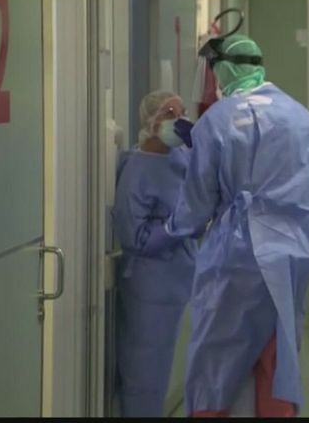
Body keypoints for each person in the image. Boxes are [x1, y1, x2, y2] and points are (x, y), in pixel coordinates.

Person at [140, 33, 309, 418]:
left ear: (221, 70)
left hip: (239, 255)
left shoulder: (218, 121)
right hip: (294, 252)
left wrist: (167, 232)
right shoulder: (301, 118)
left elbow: (196, 205)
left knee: (217, 354)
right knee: (277, 350)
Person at [112, 91, 197, 417]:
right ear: (151, 122)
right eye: (170, 113)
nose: (180, 119)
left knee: (165, 370)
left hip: (177, 278)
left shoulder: (180, 159)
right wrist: (177, 226)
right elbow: (134, 236)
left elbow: (198, 198)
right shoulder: (137, 169)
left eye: (182, 112)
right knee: (144, 373)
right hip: (148, 286)